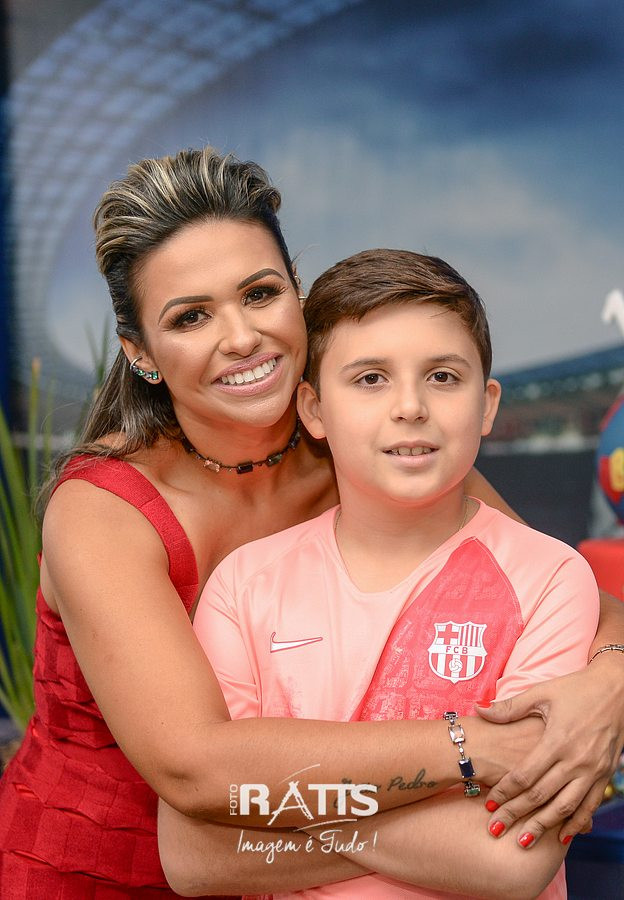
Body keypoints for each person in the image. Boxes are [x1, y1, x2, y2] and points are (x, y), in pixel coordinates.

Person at [0, 147, 621, 897]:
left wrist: (609, 684)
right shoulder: (105, 511)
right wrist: (470, 751)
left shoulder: (363, 455)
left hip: (271, 867)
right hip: (98, 875)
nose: (240, 337)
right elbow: (198, 770)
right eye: (191, 316)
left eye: (259, 294)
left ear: (296, 291)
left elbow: (563, 592)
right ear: (141, 353)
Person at [161, 249, 599, 898]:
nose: (410, 406)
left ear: (486, 405)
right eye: (370, 379)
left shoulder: (549, 579)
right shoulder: (244, 586)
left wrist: (290, 807)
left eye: (443, 377)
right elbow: (194, 854)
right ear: (313, 410)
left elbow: (511, 859)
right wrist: (421, 816)